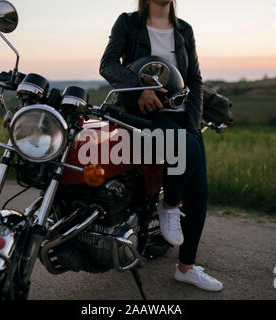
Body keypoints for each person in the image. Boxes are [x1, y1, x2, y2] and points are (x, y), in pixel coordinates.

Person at [99, 0, 223, 292]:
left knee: (200, 193)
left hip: (184, 117)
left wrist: (192, 125)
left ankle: (186, 268)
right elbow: (107, 64)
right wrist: (139, 89)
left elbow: (194, 78)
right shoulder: (128, 22)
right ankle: (169, 205)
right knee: (188, 152)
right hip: (145, 116)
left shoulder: (184, 29)